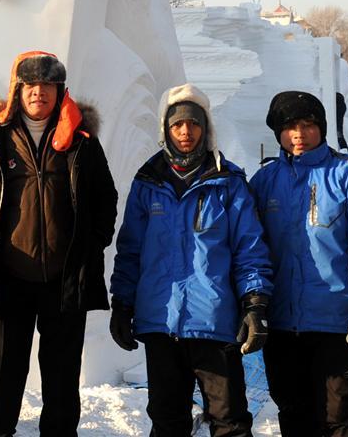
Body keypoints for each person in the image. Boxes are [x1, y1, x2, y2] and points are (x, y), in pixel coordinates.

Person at [0, 51, 118, 437]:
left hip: (64, 279)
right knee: (3, 371)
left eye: (47, 86)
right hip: (8, 276)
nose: (38, 94)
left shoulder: (81, 141)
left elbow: (105, 198)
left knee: (62, 375)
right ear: (18, 91)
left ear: (59, 91)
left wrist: (91, 245)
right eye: (30, 86)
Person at [109, 83, 272, 437]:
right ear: (166, 129)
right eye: (177, 124)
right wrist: (121, 303)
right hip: (160, 323)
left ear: (206, 128)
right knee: (168, 420)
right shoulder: (147, 183)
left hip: (214, 322)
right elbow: (131, 250)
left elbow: (249, 249)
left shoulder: (228, 184)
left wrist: (254, 303)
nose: (186, 132)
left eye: (194, 124)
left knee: (229, 420)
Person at [249, 91, 348, 437]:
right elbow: (249, 249)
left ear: (322, 127)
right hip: (284, 326)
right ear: (277, 132)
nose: (298, 134)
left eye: (307, 124)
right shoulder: (264, 182)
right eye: (289, 127)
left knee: (343, 417)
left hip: (338, 325)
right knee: (295, 414)